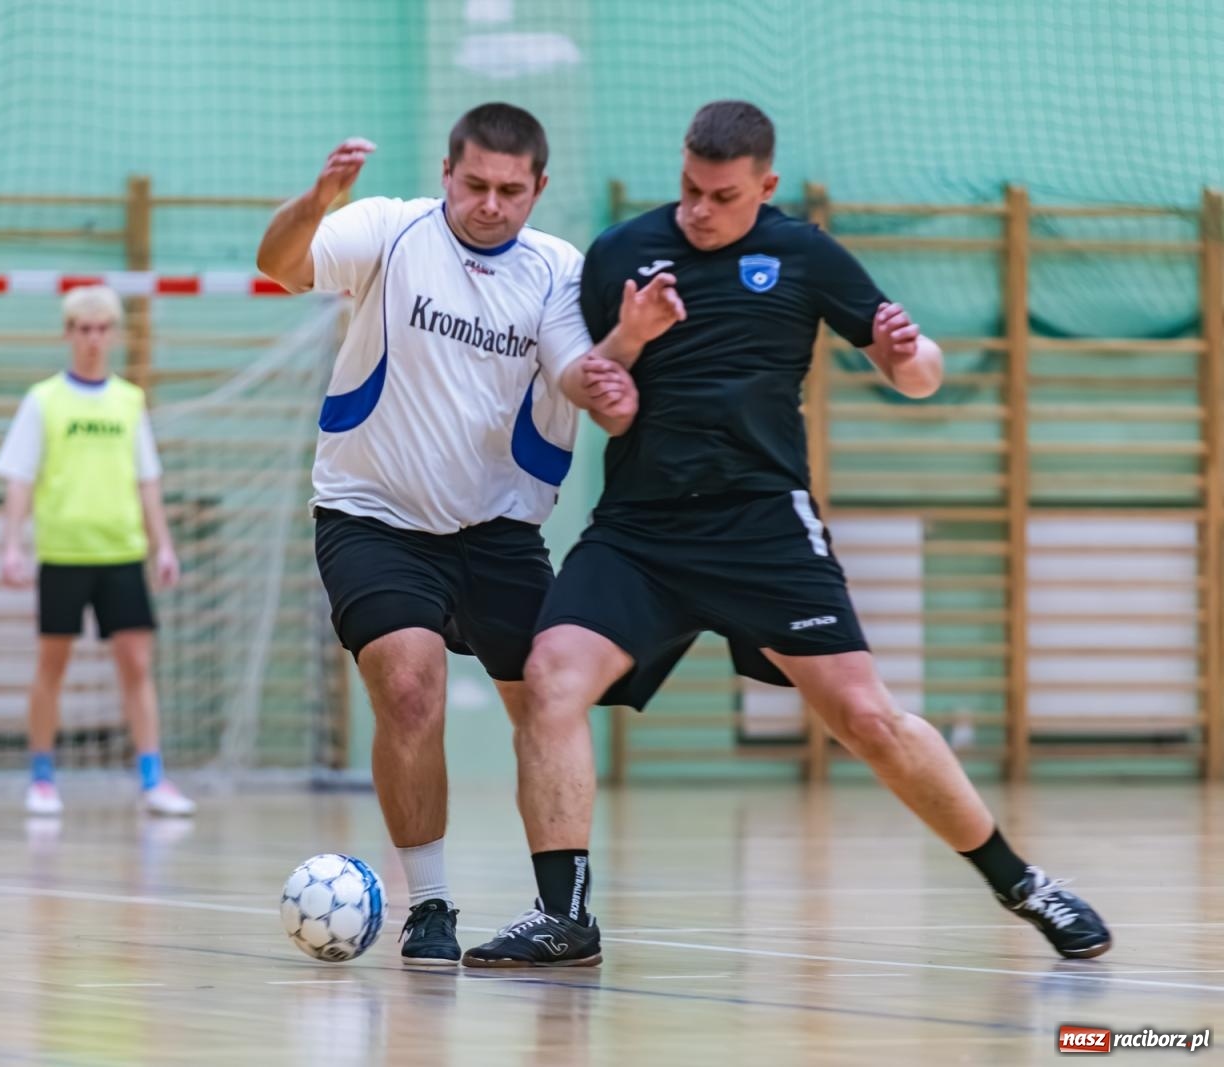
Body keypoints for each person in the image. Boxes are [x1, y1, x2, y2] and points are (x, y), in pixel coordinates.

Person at [464, 100, 1111, 968]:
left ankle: (1023, 883)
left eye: (721, 196)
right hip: (641, 530)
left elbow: (919, 376)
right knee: (549, 680)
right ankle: (565, 915)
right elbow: (587, 380)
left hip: (762, 524)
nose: (698, 209)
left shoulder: (803, 254)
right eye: (689, 189)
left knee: (867, 719)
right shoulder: (623, 251)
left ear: (763, 186)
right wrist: (620, 360)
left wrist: (905, 355)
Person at [256, 102, 638, 965]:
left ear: (539, 188)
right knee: (409, 685)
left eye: (511, 189)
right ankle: (429, 904)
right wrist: (315, 202)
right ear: (446, 173)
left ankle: (563, 913)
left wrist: (618, 365)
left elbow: (576, 373)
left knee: (548, 695)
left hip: (499, 529)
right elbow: (278, 265)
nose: (491, 204)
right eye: (475, 184)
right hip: (374, 515)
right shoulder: (388, 232)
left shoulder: (556, 272)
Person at [0, 284, 196, 819]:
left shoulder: (129, 401)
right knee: (51, 666)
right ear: (68, 334)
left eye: (102, 329)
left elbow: (148, 480)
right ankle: (41, 777)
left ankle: (152, 779)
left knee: (136, 663)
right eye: (83, 329)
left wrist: (163, 546)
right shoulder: (43, 401)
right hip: (63, 553)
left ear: (114, 334)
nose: (93, 339)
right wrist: (11, 545)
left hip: (122, 553)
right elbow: (19, 478)